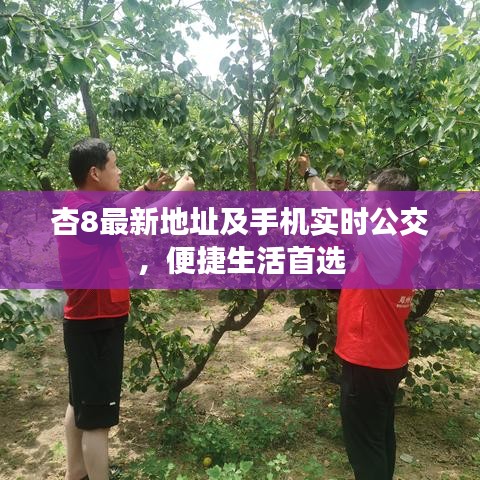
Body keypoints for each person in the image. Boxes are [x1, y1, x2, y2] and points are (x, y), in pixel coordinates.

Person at [62, 138, 194, 480]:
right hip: (97, 323)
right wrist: (178, 194)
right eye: (114, 165)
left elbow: (119, 211)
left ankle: (76, 473)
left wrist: (146, 189)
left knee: (80, 402)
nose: (119, 171)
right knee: (97, 422)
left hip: (86, 321)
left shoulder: (78, 204)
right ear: (95, 173)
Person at [298, 153, 418, 480]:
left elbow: (334, 211)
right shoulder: (398, 234)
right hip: (386, 356)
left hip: (369, 361)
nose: (363, 197)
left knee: (364, 445)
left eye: (369, 193)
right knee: (378, 435)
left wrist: (310, 173)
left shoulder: (385, 242)